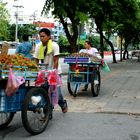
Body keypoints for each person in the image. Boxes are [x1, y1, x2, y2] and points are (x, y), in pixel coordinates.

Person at [34, 28, 68, 113]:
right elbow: (36, 60)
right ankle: (47, 112)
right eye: (40, 36)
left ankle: (63, 104)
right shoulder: (38, 46)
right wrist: (36, 70)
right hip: (43, 73)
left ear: (49, 36)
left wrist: (54, 73)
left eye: (43, 36)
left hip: (54, 72)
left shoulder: (54, 45)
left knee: (57, 93)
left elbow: (56, 60)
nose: (41, 38)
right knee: (44, 91)